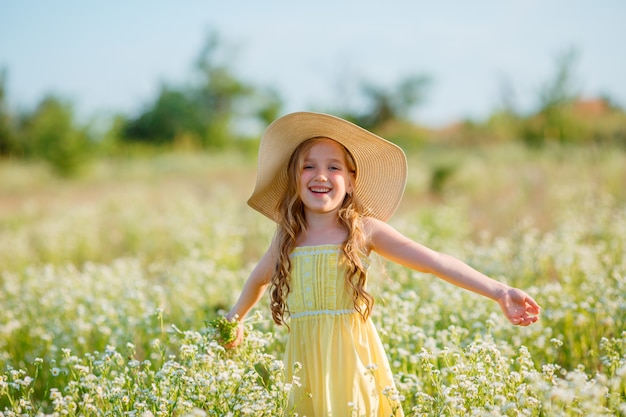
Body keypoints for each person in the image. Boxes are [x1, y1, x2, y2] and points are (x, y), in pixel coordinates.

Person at [225, 112, 541, 416]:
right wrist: (236, 317)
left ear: (350, 182)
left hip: (353, 362)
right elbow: (257, 280)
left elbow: (434, 262)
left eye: (334, 167)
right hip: (305, 365)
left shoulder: (364, 230)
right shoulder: (287, 237)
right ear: (294, 180)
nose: (321, 175)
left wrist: (498, 290)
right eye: (309, 167)